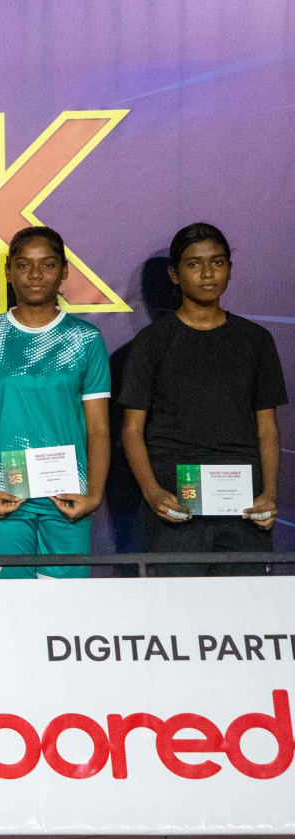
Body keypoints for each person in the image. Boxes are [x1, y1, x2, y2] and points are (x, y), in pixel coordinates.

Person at [120, 222, 285, 576]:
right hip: (174, 506)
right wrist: (151, 492)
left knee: (245, 620)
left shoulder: (256, 340)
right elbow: (132, 430)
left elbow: (267, 429)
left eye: (218, 262)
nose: (208, 274)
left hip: (244, 508)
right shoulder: (151, 343)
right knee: (174, 620)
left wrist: (268, 494)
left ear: (229, 269)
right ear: (174, 275)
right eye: (194, 264)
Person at [0, 225, 110, 578]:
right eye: (24, 265)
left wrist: (94, 495)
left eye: (47, 264)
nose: (36, 275)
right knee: (3, 615)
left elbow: (99, 427)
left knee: (64, 618)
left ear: (64, 271)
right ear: (9, 272)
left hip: (68, 499)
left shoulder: (85, 340)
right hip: (4, 499)